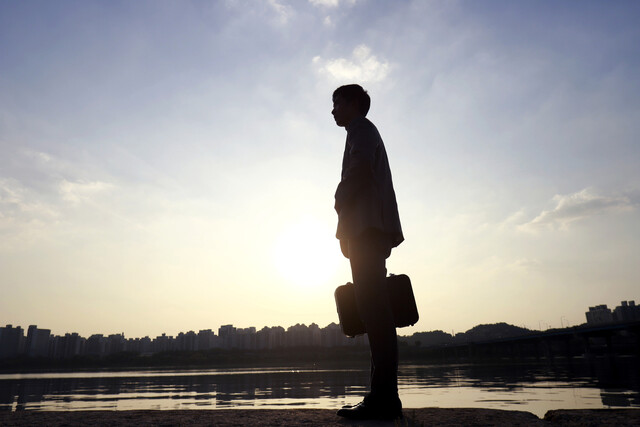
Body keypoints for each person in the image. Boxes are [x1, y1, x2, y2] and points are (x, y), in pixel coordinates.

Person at [331, 84, 404, 420]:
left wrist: (339, 197)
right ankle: (382, 397)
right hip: (369, 229)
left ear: (354, 103)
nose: (333, 110)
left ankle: (384, 399)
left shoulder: (361, 128)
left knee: (374, 309)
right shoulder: (362, 131)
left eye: (337, 102)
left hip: (367, 230)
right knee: (374, 310)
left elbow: (359, 171)